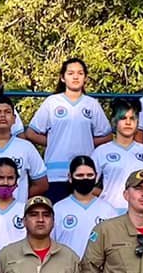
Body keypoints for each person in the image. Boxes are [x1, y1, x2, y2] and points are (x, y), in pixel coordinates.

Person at [25, 59, 111, 198]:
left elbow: (107, 136)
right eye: (71, 73)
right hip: (55, 174)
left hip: (83, 173)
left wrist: (86, 141)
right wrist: (55, 141)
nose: (75, 77)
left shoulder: (92, 104)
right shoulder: (52, 102)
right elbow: (31, 133)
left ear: (85, 78)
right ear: (62, 77)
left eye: (80, 73)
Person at [92, 100, 143, 197]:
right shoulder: (101, 152)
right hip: (110, 211)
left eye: (132, 118)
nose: (128, 122)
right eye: (123, 118)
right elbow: (85, 184)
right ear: (114, 121)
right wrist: (106, 195)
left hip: (138, 212)